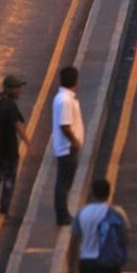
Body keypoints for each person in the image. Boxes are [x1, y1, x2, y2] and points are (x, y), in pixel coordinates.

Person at [0, 75, 29, 219]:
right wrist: (28, 142)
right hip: (9, 149)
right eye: (17, 87)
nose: (20, 90)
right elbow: (18, 125)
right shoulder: (10, 105)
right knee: (9, 176)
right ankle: (4, 209)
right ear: (8, 89)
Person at [52, 66, 84, 226]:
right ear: (75, 81)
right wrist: (74, 141)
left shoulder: (65, 98)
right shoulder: (65, 100)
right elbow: (65, 125)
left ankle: (63, 212)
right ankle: (62, 215)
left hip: (67, 147)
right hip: (67, 148)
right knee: (63, 183)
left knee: (64, 183)